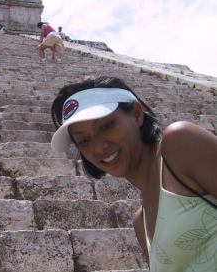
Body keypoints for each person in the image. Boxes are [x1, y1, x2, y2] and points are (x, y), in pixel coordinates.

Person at [50, 76, 217, 272]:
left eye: (106, 126)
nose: (99, 147)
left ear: (137, 114)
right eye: (84, 141)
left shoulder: (179, 142)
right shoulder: (140, 222)